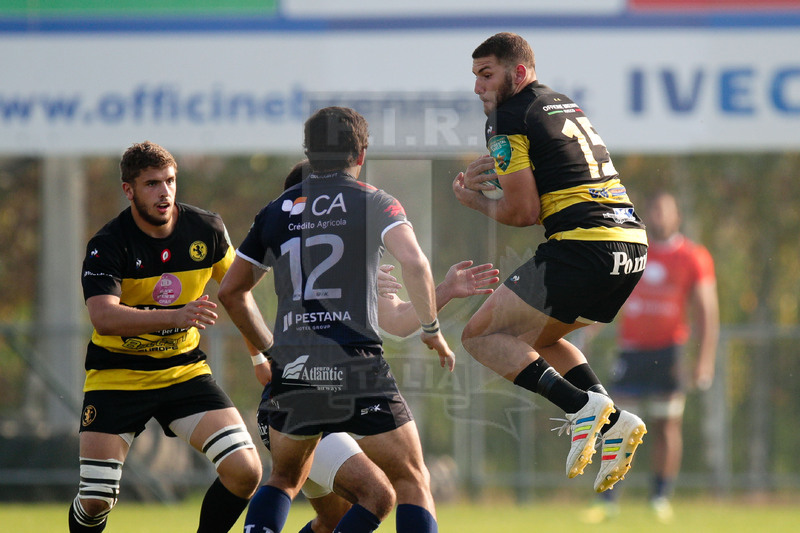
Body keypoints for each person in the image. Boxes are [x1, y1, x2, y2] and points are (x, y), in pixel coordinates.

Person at [218, 106, 455, 533]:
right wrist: (432, 330)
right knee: (411, 480)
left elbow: (231, 293)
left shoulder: (276, 210)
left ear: (308, 151)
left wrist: (273, 352)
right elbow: (415, 263)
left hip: (296, 366)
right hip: (355, 362)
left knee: (284, 478)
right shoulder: (374, 200)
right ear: (360, 152)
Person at [251, 160, 500, 533]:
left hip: (296, 397)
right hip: (313, 393)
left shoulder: (309, 249)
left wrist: (445, 290)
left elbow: (397, 321)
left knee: (332, 519)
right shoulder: (343, 251)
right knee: (381, 493)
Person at [452, 32, 648, 493]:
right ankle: (614, 421)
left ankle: (581, 406)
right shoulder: (560, 103)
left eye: (487, 74)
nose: (479, 87)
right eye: (475, 77)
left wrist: (473, 200)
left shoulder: (507, 117)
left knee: (478, 335)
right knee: (528, 339)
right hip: (631, 248)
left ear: (518, 73)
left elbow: (523, 212)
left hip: (584, 245)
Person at [72, 141, 262, 533]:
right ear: (129, 190)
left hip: (183, 373)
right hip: (117, 376)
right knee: (95, 500)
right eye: (152, 184)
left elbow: (238, 295)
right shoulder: (108, 244)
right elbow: (103, 317)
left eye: (171, 181)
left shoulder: (206, 229)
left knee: (245, 471)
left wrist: (262, 358)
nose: (165, 192)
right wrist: (175, 316)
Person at [582, 191, 719, 523]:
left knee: (666, 424)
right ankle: (608, 499)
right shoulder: (634, 250)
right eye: (653, 210)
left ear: (677, 217)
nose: (657, 216)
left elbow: (706, 312)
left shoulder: (693, 257)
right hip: (632, 350)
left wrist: (704, 361)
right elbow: (611, 295)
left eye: (664, 210)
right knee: (616, 422)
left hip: (668, 351)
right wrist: (586, 332)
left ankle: (660, 497)